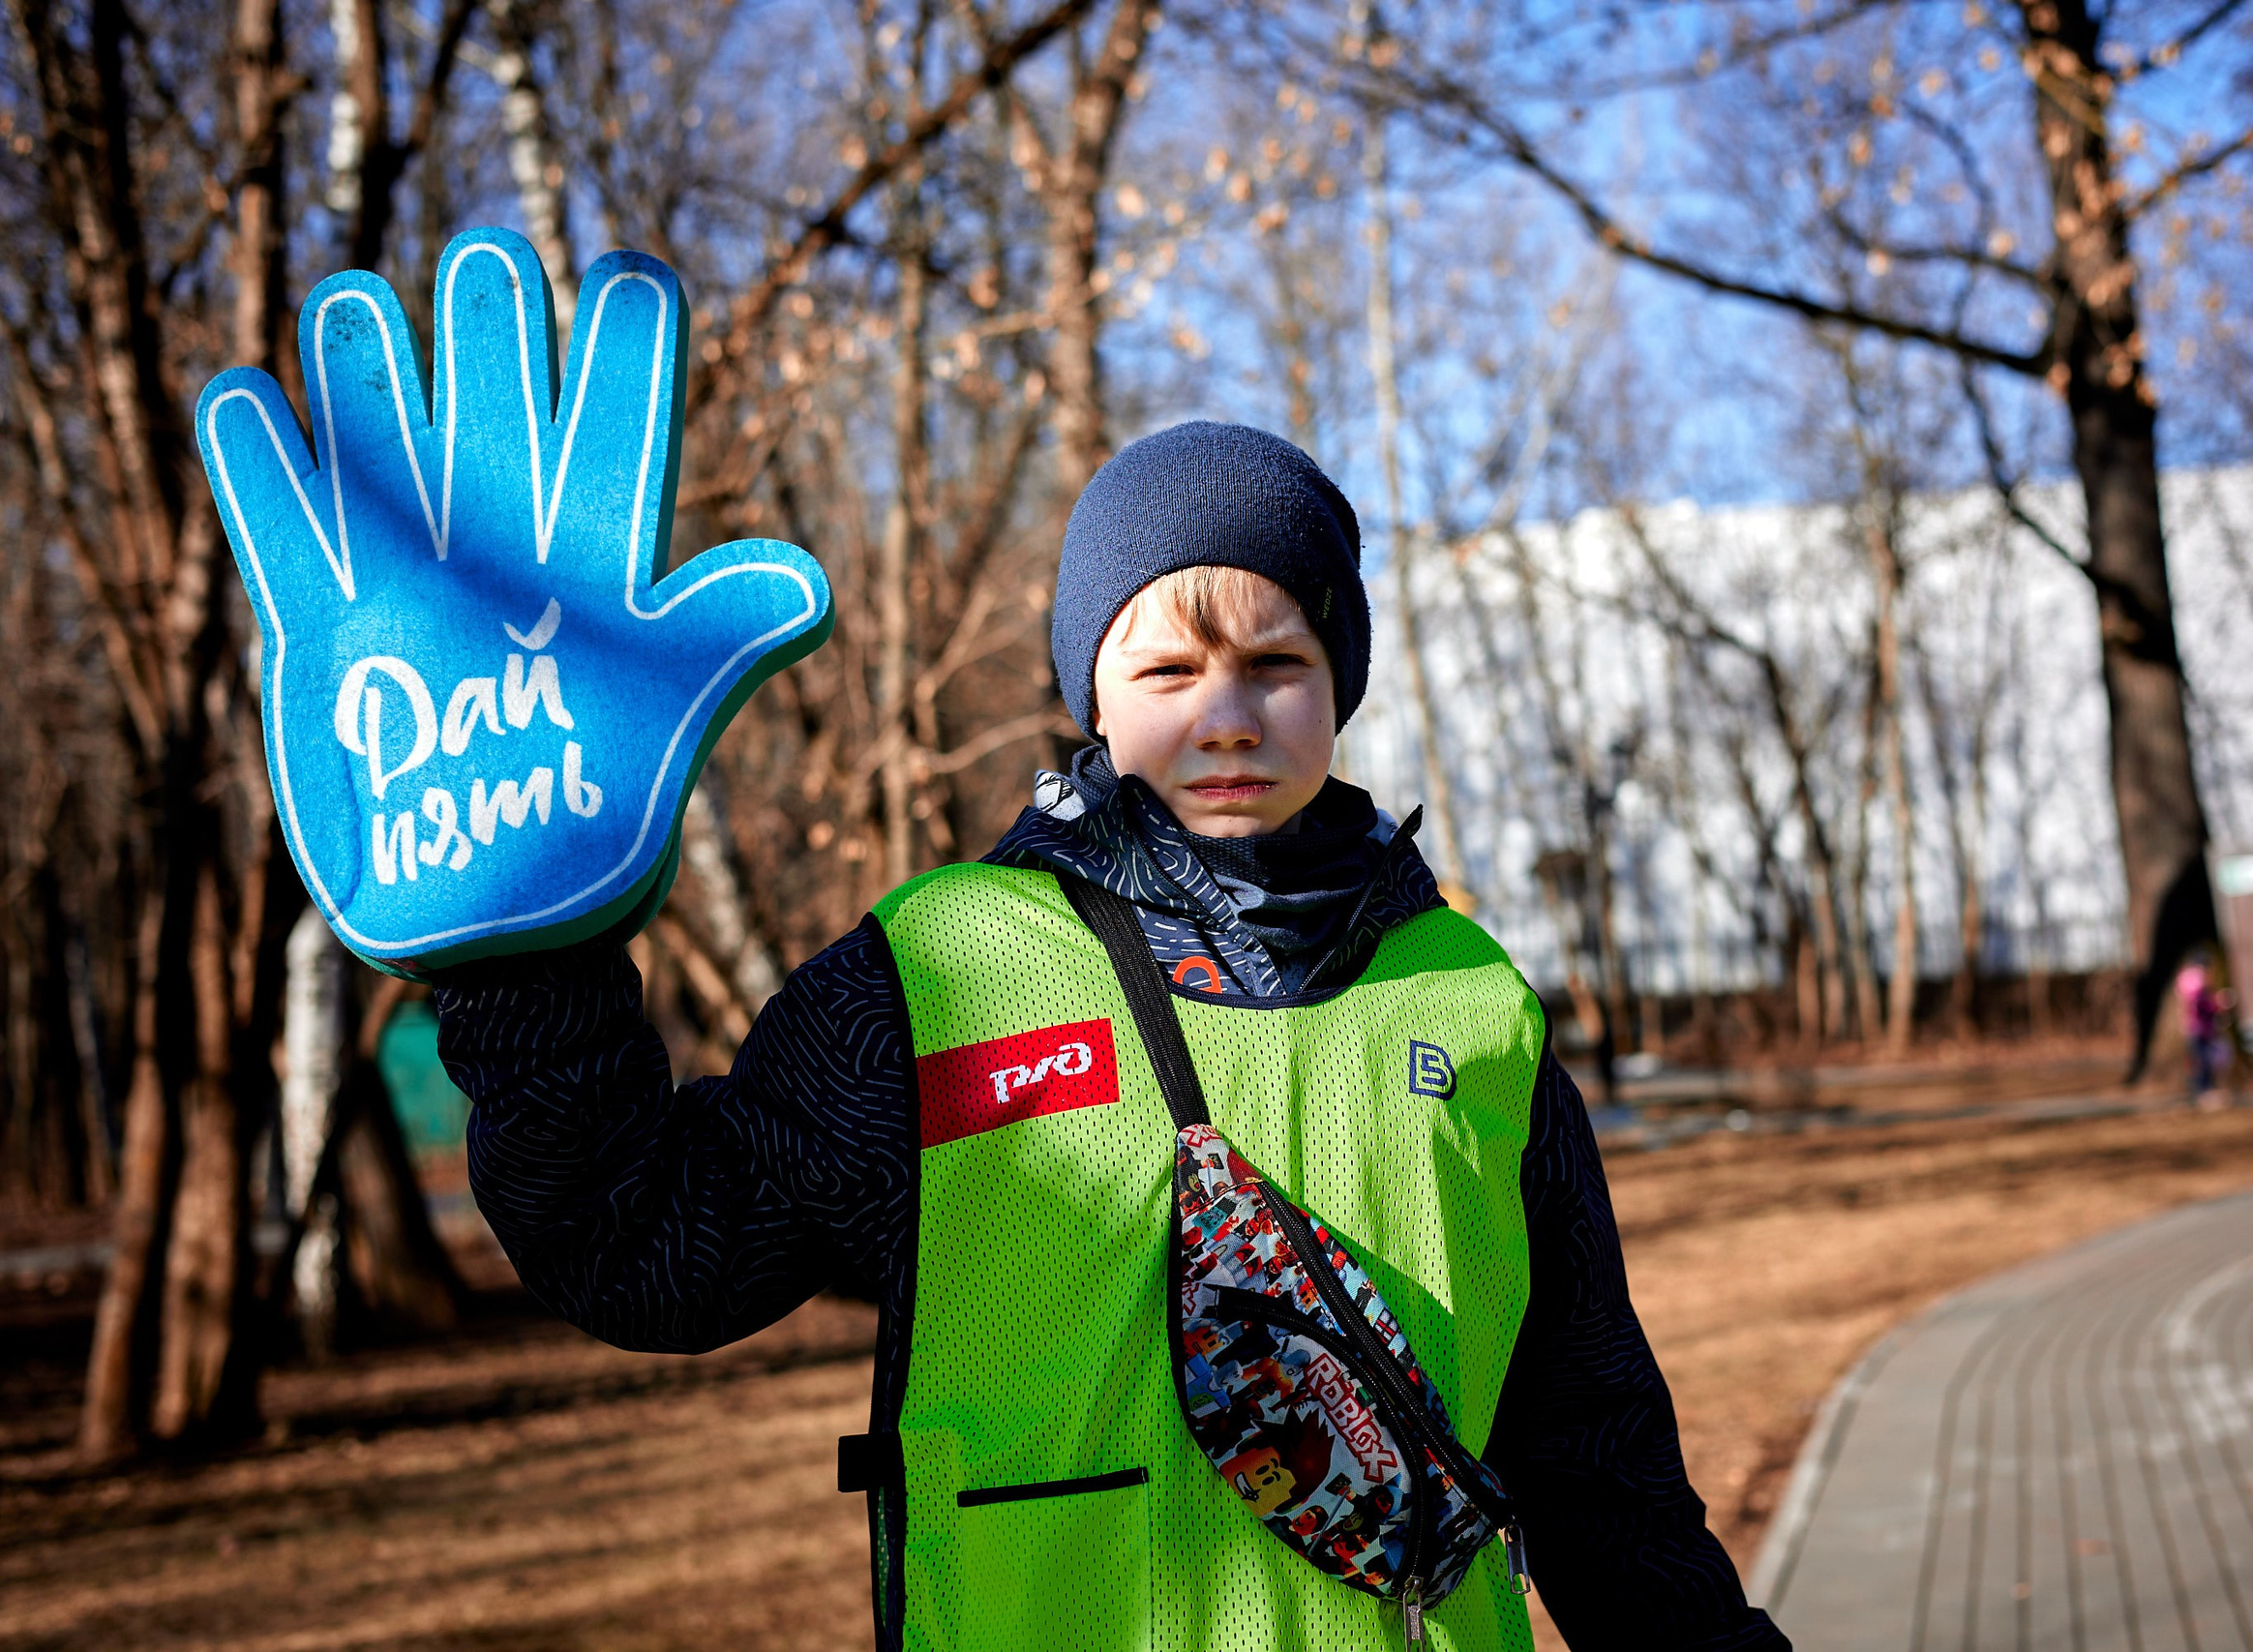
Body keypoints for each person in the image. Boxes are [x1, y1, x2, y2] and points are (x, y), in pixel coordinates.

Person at [436, 424, 1786, 1650]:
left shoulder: (1473, 1002)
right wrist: (523, 954)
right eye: (1167, 667)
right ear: (1092, 690)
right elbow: (652, 1245)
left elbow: (1595, 1460)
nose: (1227, 713)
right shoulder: (942, 969)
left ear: (1342, 680)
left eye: (1279, 664)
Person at [2175, 950, 2234, 1108]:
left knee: (2202, 1060)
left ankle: (2204, 1091)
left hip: (2195, 1027)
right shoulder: (2198, 981)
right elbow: (2201, 1004)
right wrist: (2218, 1004)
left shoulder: (2185, 979)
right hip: (2200, 1027)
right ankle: (2204, 1092)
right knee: (2205, 1060)